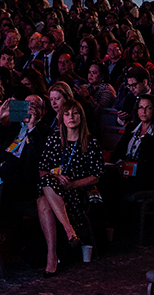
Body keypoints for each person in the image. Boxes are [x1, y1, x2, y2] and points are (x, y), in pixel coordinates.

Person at [37, 100, 104, 274]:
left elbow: (96, 176)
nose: (71, 117)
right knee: (46, 189)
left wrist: (72, 184)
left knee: (43, 202)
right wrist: (56, 177)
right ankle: (68, 233)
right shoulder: (54, 139)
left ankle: (52, 256)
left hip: (76, 192)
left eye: (75, 113)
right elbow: (42, 171)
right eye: (67, 114)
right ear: (62, 119)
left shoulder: (90, 142)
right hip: (53, 188)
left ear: (81, 117)